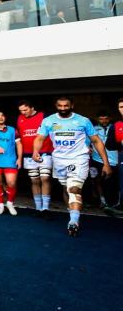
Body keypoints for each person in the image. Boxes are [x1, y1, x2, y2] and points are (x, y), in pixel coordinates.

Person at [34, 97, 111, 236]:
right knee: (66, 188)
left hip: (78, 159)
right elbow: (40, 138)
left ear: (72, 105)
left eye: (66, 105)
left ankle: (74, 222)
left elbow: (96, 141)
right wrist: (35, 151)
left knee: (73, 189)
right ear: (56, 106)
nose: (63, 108)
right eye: (60, 106)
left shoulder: (83, 121)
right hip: (59, 160)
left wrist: (106, 163)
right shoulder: (49, 121)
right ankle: (73, 214)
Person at [17, 99, 53, 216]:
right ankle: (38, 208)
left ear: (32, 107)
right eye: (21, 110)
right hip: (28, 154)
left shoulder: (44, 116)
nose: (23, 112)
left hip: (45, 152)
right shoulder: (19, 119)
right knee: (34, 180)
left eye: (25, 109)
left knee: (45, 178)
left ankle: (45, 208)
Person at [0, 111, 22, 215]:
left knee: (11, 183)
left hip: (10, 160)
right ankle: (0, 205)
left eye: (2, 115)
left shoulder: (12, 130)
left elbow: (19, 144)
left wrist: (19, 158)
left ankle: (10, 203)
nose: (0, 117)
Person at [90, 111, 119, 208]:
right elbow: (86, 141)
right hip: (96, 159)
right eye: (101, 119)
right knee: (97, 180)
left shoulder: (115, 128)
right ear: (97, 119)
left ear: (109, 118)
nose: (104, 121)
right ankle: (102, 201)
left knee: (112, 182)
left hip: (114, 160)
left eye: (106, 118)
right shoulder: (93, 129)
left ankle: (113, 202)